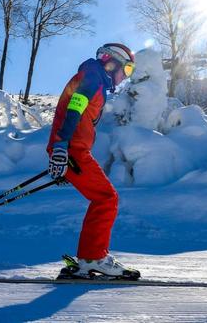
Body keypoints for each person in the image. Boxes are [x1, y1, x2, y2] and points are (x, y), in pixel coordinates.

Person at [47, 43, 140, 279]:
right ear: (114, 63)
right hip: (72, 149)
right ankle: (93, 258)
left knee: (103, 198)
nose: (124, 77)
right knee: (106, 198)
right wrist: (61, 147)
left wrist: (61, 150)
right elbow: (74, 108)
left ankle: (90, 257)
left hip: (72, 150)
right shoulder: (93, 78)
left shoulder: (92, 78)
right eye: (127, 70)